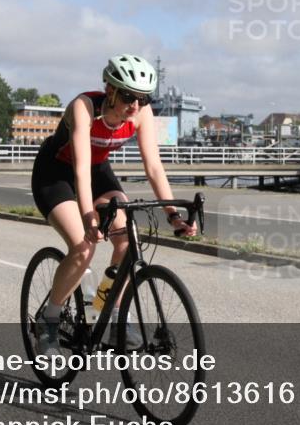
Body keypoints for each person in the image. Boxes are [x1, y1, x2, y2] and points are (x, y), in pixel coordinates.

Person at [30, 54, 196, 354]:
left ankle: (110, 311)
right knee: (83, 245)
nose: (135, 106)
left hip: (98, 171)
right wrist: (89, 217)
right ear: (110, 90)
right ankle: (49, 319)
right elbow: (80, 168)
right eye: (129, 97)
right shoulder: (85, 108)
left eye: (143, 99)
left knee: (128, 238)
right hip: (56, 173)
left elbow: (154, 168)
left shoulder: (140, 115)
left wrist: (173, 215)